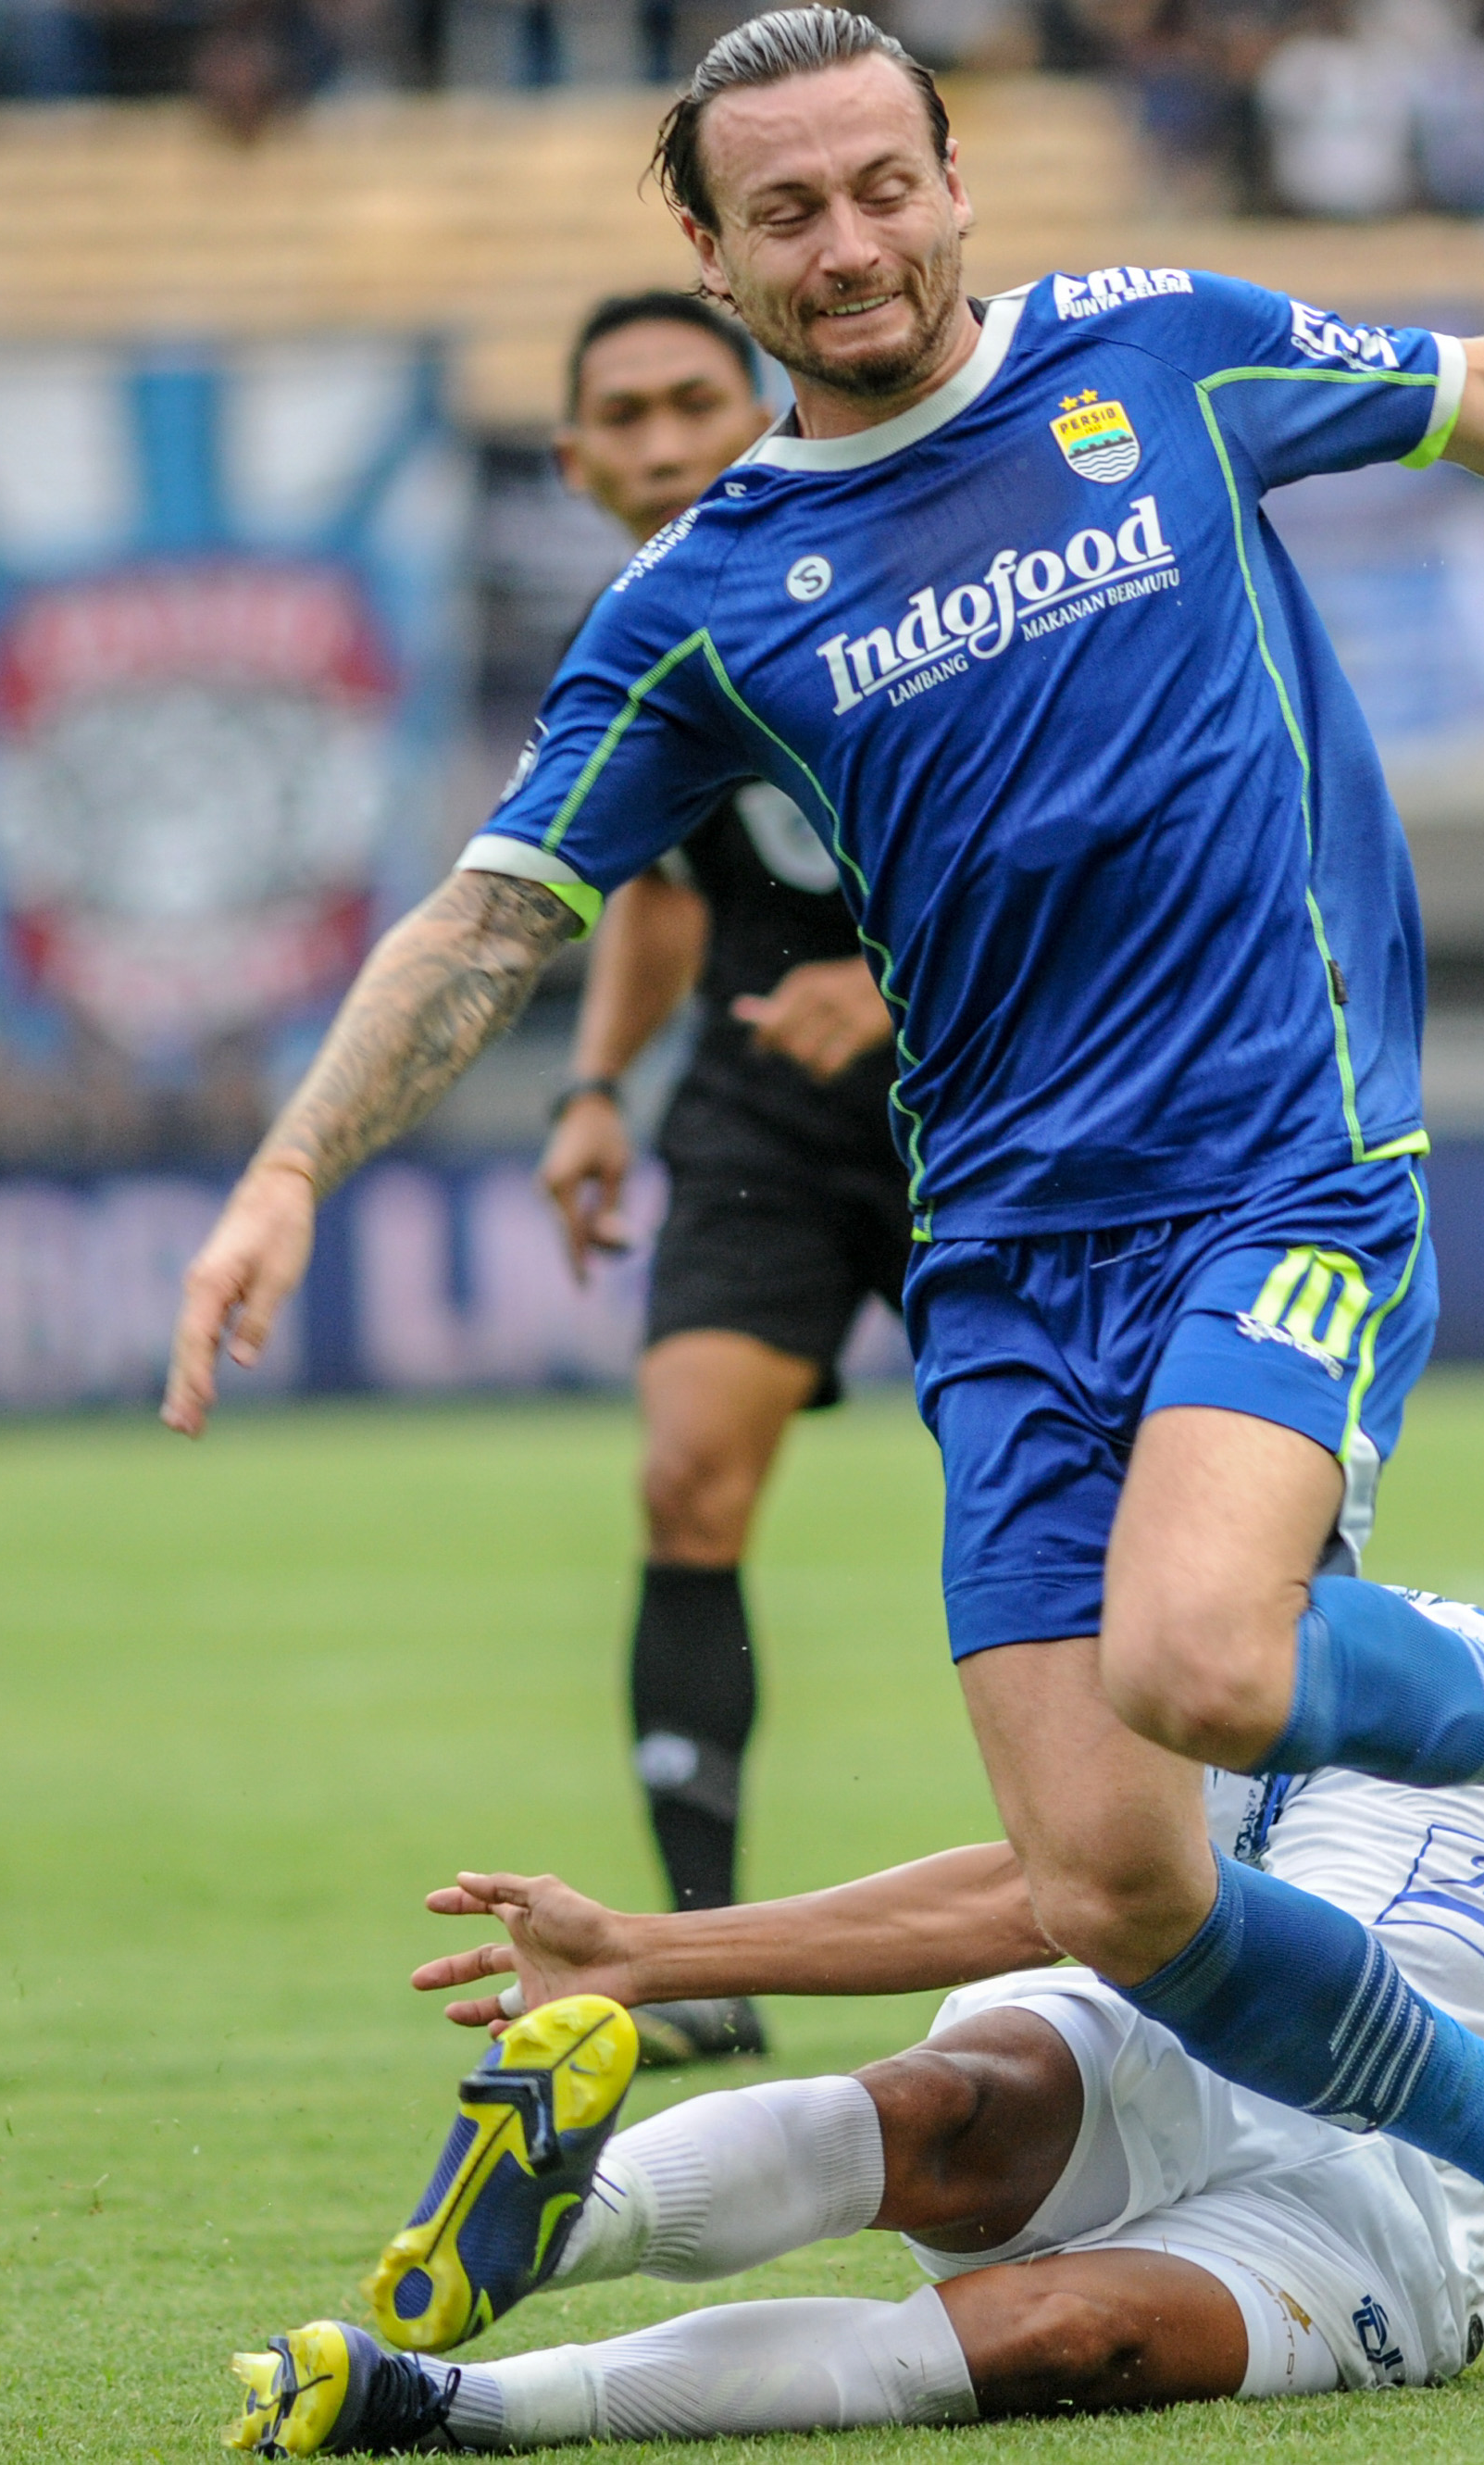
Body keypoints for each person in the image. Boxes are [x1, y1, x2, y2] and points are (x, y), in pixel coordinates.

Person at [159, 4, 1484, 2393]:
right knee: (1120, 1881)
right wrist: (284, 1168)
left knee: (1201, 1656)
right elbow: (496, 909)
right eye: (784, 209)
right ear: (708, 250)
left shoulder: (1157, 357)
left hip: (1273, 1170)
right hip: (1001, 1265)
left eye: (884, 182)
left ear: (957, 179)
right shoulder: (705, 592)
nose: (849, 238)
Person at [222, 1356, 1484, 2453]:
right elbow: (1059, 1876)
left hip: (1373, 2224)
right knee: (963, 2095)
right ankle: (523, 2229)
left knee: (1054, 2338)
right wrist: (656, 1946)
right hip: (1179, 2049)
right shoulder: (1363, 1659)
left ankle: (445, 2394)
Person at [532, 288, 917, 2069]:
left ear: (760, 401)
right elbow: (673, 891)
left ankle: (1165, 1881)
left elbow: (1072, 826)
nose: (669, 438)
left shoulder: (890, 553)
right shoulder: (639, 627)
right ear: (580, 458)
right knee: (688, 1479)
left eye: (699, 397)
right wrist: (600, 1084)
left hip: (981, 1091)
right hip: (763, 1102)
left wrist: (900, 974)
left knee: (1073, 1500)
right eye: (629, 414)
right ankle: (696, 1952)